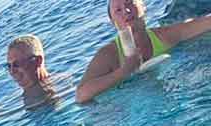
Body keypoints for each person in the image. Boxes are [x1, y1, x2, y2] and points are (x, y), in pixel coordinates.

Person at [77, 0, 211, 104]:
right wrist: (125, 71)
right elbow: (81, 95)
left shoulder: (164, 36)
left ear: (143, 7)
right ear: (113, 22)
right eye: (118, 10)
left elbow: (203, 24)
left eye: (130, 3)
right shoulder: (109, 54)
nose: (126, 11)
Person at [6, 35, 65, 107]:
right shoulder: (16, 101)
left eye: (17, 64)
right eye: (9, 66)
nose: (12, 71)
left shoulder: (62, 84)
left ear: (37, 61)